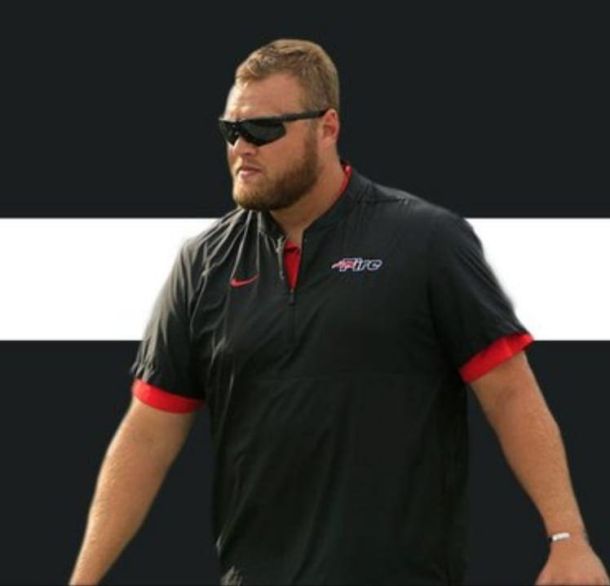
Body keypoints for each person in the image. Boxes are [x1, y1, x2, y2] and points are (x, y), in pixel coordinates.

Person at [69, 39, 609, 586]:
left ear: (327, 128)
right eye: (230, 130)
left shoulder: (426, 240)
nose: (241, 148)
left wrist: (567, 537)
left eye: (262, 129)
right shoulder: (202, 264)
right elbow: (147, 435)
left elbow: (510, 393)